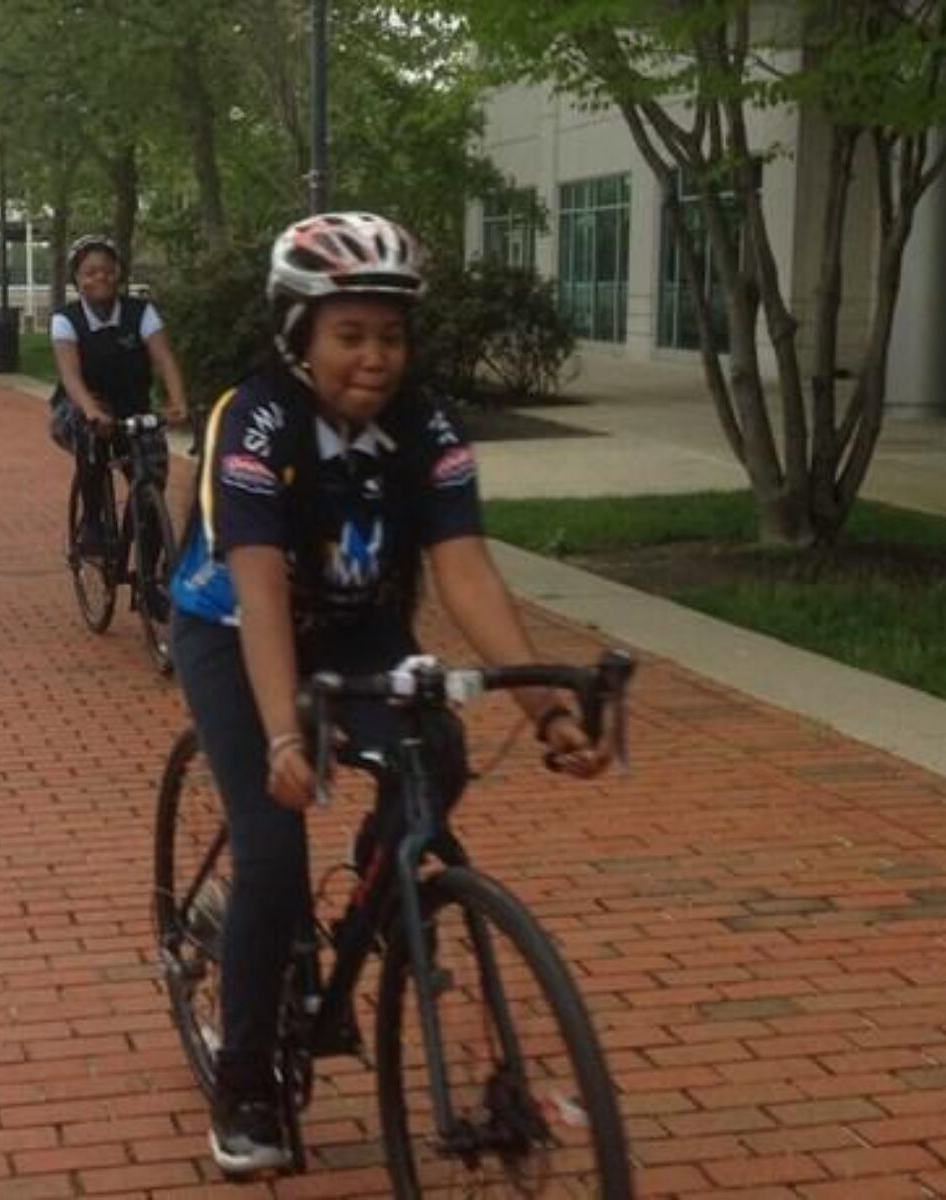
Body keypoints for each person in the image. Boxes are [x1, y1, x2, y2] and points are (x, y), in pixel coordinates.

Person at [168, 212, 612, 1176]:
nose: (376, 358)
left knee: (436, 757)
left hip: (360, 621)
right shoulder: (254, 417)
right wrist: (287, 738)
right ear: (299, 335)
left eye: (392, 335)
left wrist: (550, 712)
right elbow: (257, 583)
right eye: (350, 334)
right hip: (236, 626)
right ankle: (246, 1083)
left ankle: (375, 884)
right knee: (275, 848)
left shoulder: (428, 422)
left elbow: (467, 577)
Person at [50, 233, 188, 557]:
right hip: (80, 406)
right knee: (92, 435)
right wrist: (90, 409)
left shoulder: (141, 313)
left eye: (108, 270)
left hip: (131, 408)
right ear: (77, 280)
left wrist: (178, 400)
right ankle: (92, 522)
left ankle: (149, 567)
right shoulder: (66, 320)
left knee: (152, 470)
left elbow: (165, 358)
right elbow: (70, 375)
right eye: (90, 272)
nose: (101, 277)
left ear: (119, 273)